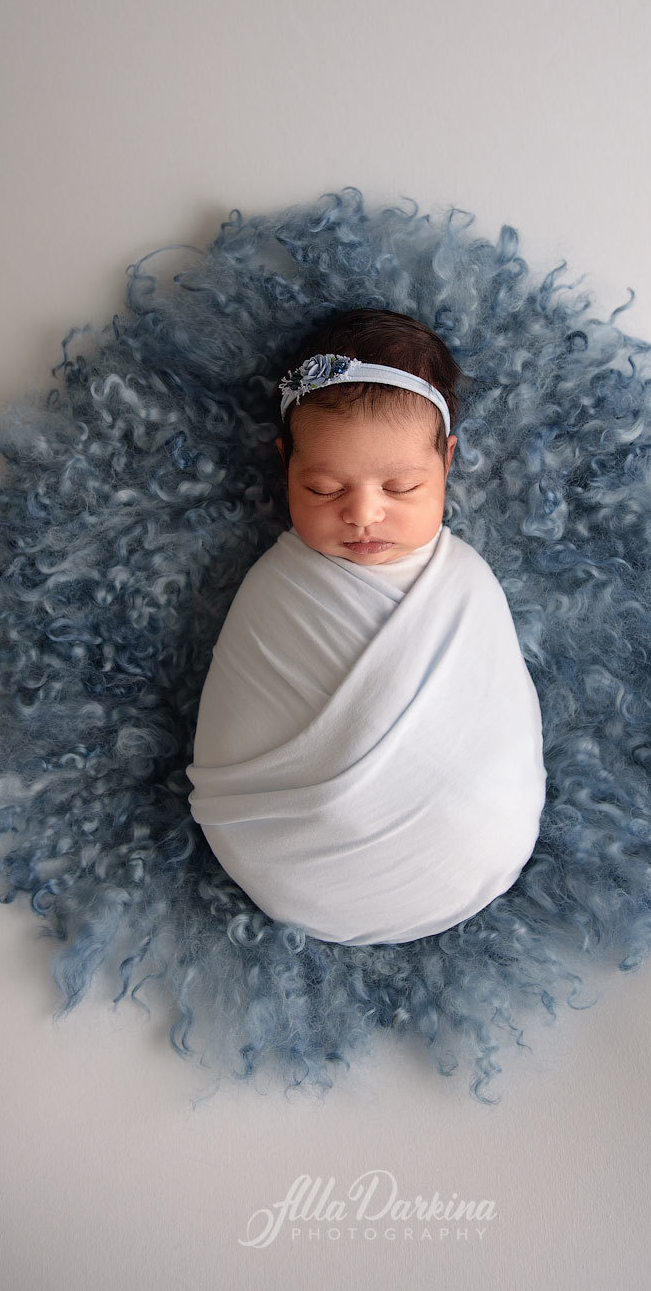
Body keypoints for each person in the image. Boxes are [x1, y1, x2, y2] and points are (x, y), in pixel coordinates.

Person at [186, 309, 546, 945]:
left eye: (402, 486)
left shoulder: (464, 583)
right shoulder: (277, 587)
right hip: (286, 853)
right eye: (323, 489)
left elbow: (494, 713)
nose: (363, 514)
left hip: (472, 845)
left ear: (447, 461)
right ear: (284, 465)